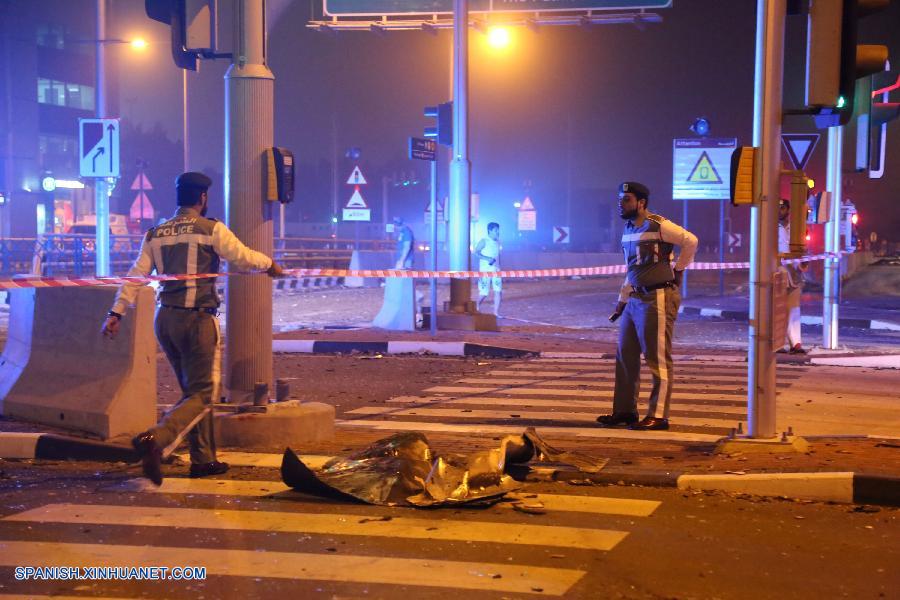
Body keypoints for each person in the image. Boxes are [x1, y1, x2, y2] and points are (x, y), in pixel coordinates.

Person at [101, 171, 283, 486]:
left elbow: (137, 274)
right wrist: (269, 264)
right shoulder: (210, 229)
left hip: (166, 321)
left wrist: (116, 311)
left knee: (194, 394)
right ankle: (156, 439)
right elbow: (241, 257)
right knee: (203, 393)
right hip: (197, 320)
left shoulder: (156, 233)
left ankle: (204, 460)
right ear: (202, 198)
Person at [596, 181, 698, 431]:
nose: (621, 203)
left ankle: (659, 415)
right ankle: (625, 411)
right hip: (634, 299)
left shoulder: (659, 225)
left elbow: (691, 241)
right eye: (620, 198)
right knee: (625, 355)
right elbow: (631, 270)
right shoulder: (628, 230)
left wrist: (679, 269)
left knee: (657, 358)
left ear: (641, 203)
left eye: (627, 199)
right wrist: (622, 301)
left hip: (657, 297)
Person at [777, 198, 807, 354]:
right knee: (778, 309)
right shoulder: (768, 227)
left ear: (788, 210)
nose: (779, 211)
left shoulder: (795, 229)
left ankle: (796, 344)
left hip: (794, 275)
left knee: (794, 309)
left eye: (782, 208)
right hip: (777, 274)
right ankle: (778, 344)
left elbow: (803, 249)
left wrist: (803, 262)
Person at [474, 222, 502, 316]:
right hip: (485, 271)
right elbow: (476, 252)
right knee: (484, 293)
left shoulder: (498, 242)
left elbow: (498, 256)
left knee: (498, 291)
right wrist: (487, 259)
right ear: (490, 230)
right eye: (495, 230)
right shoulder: (484, 241)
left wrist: (499, 267)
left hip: (497, 271)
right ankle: (476, 306)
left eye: (498, 230)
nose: (497, 232)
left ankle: (495, 313)